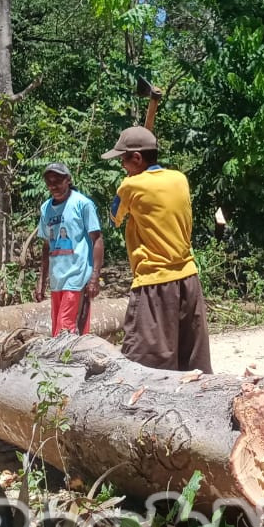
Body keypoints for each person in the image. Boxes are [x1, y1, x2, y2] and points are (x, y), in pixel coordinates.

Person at [102, 126, 211, 373]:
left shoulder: (130, 186)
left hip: (155, 283)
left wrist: (127, 184)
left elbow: (113, 218)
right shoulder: (179, 179)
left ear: (137, 158)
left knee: (142, 368)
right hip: (188, 278)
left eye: (123, 159)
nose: (122, 165)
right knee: (192, 366)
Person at [32, 161, 103, 335]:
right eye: (49, 182)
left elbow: (97, 239)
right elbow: (47, 245)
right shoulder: (46, 208)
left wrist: (94, 277)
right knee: (59, 329)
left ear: (68, 180)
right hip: (57, 279)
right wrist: (42, 280)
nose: (53, 185)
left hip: (77, 276)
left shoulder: (82, 204)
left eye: (57, 180)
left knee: (65, 328)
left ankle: (65, 361)